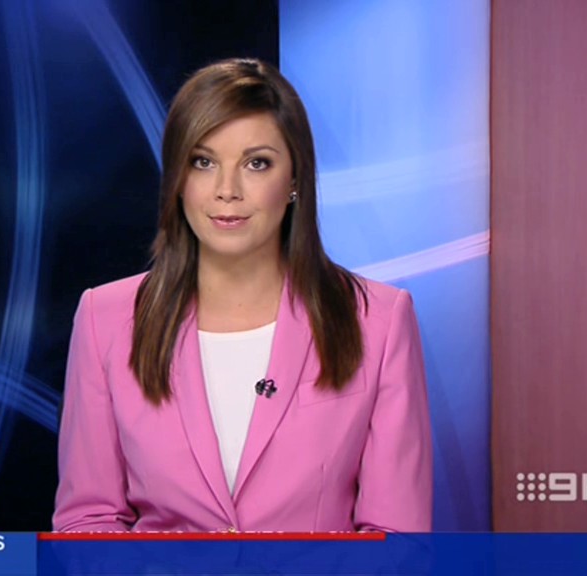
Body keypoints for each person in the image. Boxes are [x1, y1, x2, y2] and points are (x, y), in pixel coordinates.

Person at [52, 58, 432, 533]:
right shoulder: (105, 319)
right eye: (203, 162)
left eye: (257, 164)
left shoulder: (378, 320)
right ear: (177, 179)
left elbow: (396, 537)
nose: (226, 190)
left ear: (294, 180)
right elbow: (88, 520)